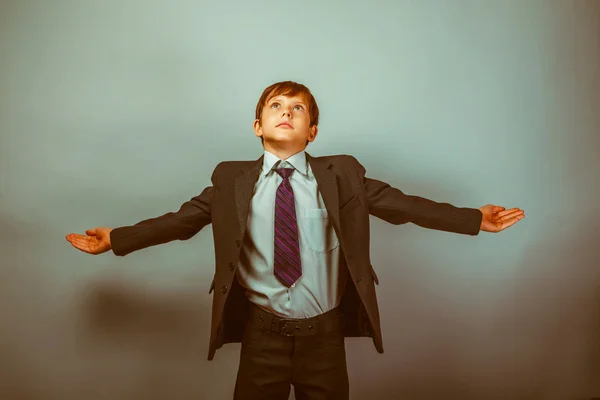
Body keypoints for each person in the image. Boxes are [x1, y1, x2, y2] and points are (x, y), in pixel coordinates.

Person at [66, 81, 525, 400]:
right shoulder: (230, 180)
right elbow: (180, 220)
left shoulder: (342, 173)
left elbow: (401, 205)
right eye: (276, 107)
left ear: (313, 132)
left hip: (323, 337)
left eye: (298, 108)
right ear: (257, 126)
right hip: (260, 334)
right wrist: (118, 239)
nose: (287, 113)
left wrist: (470, 219)